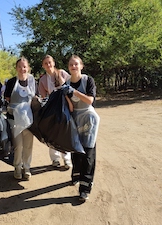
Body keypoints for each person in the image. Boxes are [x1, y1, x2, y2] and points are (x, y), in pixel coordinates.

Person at [65, 55, 100, 202]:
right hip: (75, 119)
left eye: (76, 64)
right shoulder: (66, 83)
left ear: (81, 66)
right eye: (71, 64)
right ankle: (76, 176)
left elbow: (90, 100)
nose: (74, 66)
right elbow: (71, 107)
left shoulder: (88, 80)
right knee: (76, 150)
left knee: (88, 153)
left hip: (89, 118)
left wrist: (74, 92)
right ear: (68, 67)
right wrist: (66, 96)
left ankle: (85, 189)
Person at [4, 57, 36, 180]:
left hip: (29, 120)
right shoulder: (12, 82)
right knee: (18, 146)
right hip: (14, 119)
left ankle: (27, 168)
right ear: (16, 68)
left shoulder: (32, 81)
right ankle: (17, 167)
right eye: (20, 67)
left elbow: (35, 98)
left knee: (28, 145)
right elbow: (7, 99)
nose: (22, 69)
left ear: (28, 68)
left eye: (24, 66)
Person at [38, 55, 72, 169]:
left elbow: (71, 86)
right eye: (46, 63)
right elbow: (43, 97)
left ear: (54, 63)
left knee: (65, 133)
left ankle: (67, 159)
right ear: (43, 66)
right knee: (52, 134)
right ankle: (55, 159)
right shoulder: (42, 80)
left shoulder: (62, 73)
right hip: (52, 110)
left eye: (50, 62)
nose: (48, 65)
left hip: (65, 108)